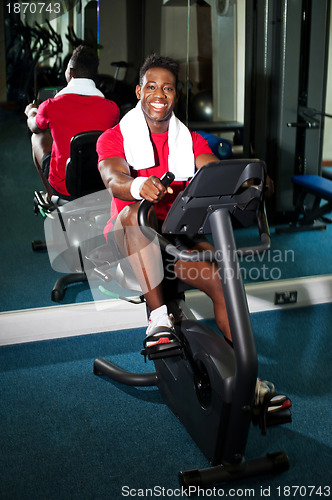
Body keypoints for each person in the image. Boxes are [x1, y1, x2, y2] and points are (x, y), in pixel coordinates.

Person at [97, 54, 287, 408]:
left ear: (176, 96)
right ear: (139, 91)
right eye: (151, 86)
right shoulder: (113, 137)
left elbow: (213, 170)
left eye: (167, 88)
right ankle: (159, 324)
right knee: (137, 215)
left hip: (174, 239)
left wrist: (248, 182)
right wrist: (138, 186)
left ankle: (248, 378)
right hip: (128, 241)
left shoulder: (191, 139)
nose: (159, 94)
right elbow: (113, 178)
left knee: (221, 281)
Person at [25, 44, 120, 200]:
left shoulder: (50, 105)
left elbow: (34, 127)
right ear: (95, 73)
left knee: (38, 136)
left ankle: (51, 196)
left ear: (70, 71)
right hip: (99, 184)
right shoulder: (112, 109)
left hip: (64, 188)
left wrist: (31, 112)